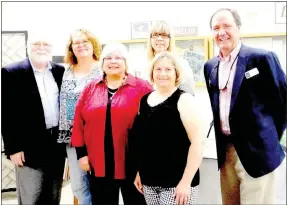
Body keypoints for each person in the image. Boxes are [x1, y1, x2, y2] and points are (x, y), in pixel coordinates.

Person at [204, 8, 287, 205]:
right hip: (226, 152)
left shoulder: (262, 58)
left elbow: (282, 103)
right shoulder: (210, 67)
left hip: (258, 151)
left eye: (227, 26)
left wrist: (269, 139)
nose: (221, 32)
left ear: (238, 28)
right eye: (216, 28)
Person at [71, 42, 153, 205]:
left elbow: (152, 125)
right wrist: (82, 155)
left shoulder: (142, 87)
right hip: (99, 162)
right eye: (108, 58)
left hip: (132, 162)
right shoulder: (91, 88)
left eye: (118, 58)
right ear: (102, 63)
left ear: (126, 63)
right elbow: (79, 122)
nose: (113, 61)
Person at [1, 31, 66, 205]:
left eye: (46, 44)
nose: (41, 48)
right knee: (31, 197)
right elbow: (6, 113)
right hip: (28, 147)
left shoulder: (60, 71)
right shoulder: (11, 72)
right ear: (27, 46)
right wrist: (13, 148)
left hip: (56, 145)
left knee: (53, 195)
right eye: (37, 44)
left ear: (52, 48)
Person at [133, 51, 205, 205]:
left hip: (176, 183)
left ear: (176, 73)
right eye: (158, 69)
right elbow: (144, 141)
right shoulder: (144, 101)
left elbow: (198, 143)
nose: (163, 73)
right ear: (152, 73)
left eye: (168, 69)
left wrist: (186, 182)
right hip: (149, 181)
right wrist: (140, 172)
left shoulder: (184, 100)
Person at [57, 28, 102, 205]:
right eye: (76, 42)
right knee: (78, 185)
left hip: (97, 136)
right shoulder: (65, 71)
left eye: (85, 41)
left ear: (93, 45)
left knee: (100, 183)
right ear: (71, 48)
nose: (81, 45)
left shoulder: (102, 70)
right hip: (71, 138)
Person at [144, 20, 196, 96]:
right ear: (150, 39)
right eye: (155, 35)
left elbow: (189, 95)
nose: (159, 38)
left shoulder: (181, 64)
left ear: (170, 39)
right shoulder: (144, 66)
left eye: (164, 35)